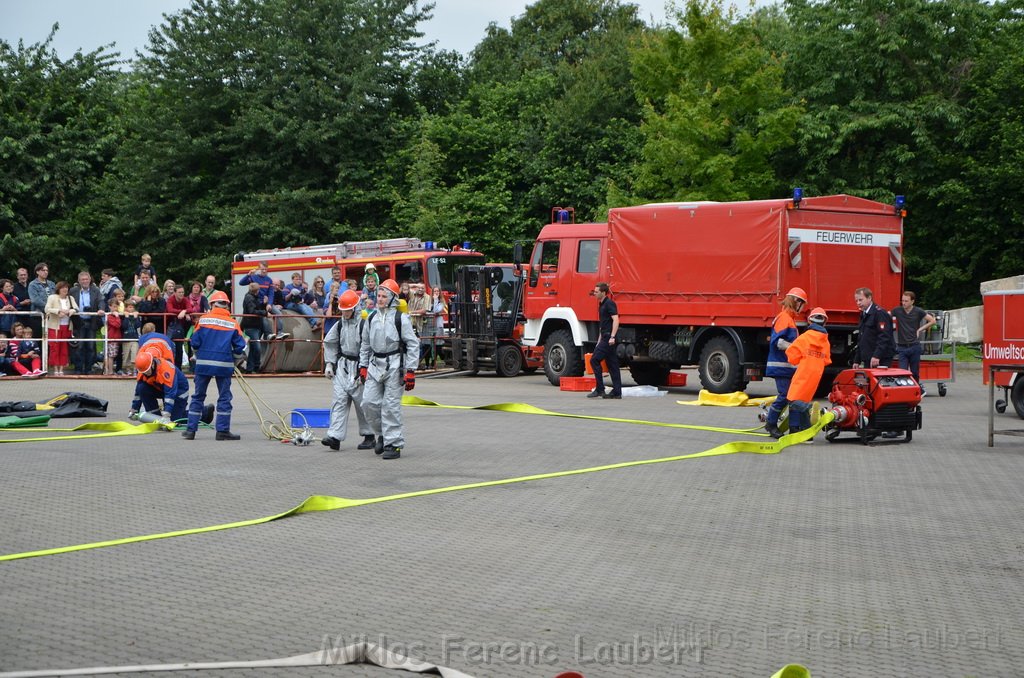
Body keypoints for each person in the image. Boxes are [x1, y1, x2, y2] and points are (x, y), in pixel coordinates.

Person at [358, 279, 419, 459]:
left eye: (384, 296)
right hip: (375, 365)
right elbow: (365, 344)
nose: (380, 299)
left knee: (390, 406)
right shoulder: (371, 318)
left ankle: (394, 444)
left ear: (393, 299)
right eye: (378, 295)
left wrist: (411, 370)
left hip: (395, 365)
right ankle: (383, 435)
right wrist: (363, 366)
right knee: (368, 403)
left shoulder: (401, 319)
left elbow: (412, 344)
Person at [183, 290, 246, 440]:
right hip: (224, 365)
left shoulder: (203, 320)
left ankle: (191, 431)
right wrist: (235, 358)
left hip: (203, 364)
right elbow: (240, 346)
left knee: (198, 396)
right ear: (227, 306)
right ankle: (222, 431)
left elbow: (195, 342)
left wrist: (199, 354)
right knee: (224, 397)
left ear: (211, 305)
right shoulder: (232, 323)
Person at [321, 289, 375, 451]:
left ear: (355, 308)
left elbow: (371, 347)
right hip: (343, 367)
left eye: (347, 310)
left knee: (362, 403)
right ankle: (334, 437)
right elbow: (329, 343)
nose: (344, 314)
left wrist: (365, 367)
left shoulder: (364, 325)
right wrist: (329, 364)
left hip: (359, 367)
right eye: (343, 311)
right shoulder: (339, 326)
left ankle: (369, 435)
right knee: (339, 401)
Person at [764, 287, 807, 438]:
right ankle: (770, 423)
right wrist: (797, 348)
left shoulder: (789, 319)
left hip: (787, 367)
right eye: (802, 304)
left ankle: (794, 428)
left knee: (793, 397)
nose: (802, 309)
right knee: (785, 396)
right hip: (781, 367)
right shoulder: (784, 318)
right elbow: (778, 342)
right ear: (796, 301)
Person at [784, 307, 831, 436]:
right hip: (816, 375)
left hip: (803, 372)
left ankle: (810, 410)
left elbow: (792, 357)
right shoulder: (826, 341)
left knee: (792, 400)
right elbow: (827, 360)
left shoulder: (805, 337)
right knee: (803, 401)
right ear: (824, 323)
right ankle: (807, 434)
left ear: (810, 321)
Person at [891, 291, 936, 391]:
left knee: (915, 372)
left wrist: (920, 329)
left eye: (906, 301)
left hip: (914, 346)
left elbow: (933, 320)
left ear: (912, 301)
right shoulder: (897, 310)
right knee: (902, 372)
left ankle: (916, 391)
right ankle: (904, 391)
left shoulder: (918, 311)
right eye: (902, 301)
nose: (904, 303)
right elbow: (886, 315)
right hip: (902, 347)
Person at [131, 348, 189, 424]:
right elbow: (138, 393)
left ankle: (202, 413)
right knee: (142, 388)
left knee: (174, 421)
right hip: (162, 389)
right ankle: (155, 415)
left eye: (147, 371)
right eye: (144, 372)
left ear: (152, 364)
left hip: (178, 392)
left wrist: (167, 415)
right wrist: (134, 410)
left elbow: (170, 395)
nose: (145, 374)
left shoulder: (166, 371)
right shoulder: (144, 369)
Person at [587, 282, 622, 399]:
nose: (594, 294)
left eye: (596, 292)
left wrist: (612, 336)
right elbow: (603, 324)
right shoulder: (601, 305)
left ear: (603, 292)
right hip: (604, 337)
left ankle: (600, 389)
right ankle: (617, 392)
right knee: (612, 365)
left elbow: (616, 320)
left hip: (608, 338)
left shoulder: (609, 304)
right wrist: (598, 340)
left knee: (594, 360)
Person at [70, 271, 107, 375]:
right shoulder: (73, 291)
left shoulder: (96, 290)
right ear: (79, 281)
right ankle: (78, 369)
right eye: (83, 279)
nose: (85, 281)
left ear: (90, 280)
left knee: (91, 346)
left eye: (87, 279)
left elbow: (101, 301)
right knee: (79, 346)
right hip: (78, 321)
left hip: (92, 321)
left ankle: (89, 369)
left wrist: (101, 309)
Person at [239, 261, 286, 339]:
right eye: (262, 269)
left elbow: (271, 294)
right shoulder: (254, 277)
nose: (264, 271)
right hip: (257, 303)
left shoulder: (269, 280)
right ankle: (268, 334)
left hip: (266, 302)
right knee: (263, 317)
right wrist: (248, 274)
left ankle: (280, 332)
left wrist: (269, 304)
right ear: (259, 269)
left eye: (266, 269)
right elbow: (241, 283)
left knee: (278, 313)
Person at [853, 287, 894, 369]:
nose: (858, 303)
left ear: (869, 298)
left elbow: (884, 336)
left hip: (880, 358)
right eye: (856, 300)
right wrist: (857, 360)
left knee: (879, 381)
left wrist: (877, 355)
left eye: (860, 300)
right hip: (869, 357)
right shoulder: (864, 314)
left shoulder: (880, 313)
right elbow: (861, 338)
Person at [44, 280, 78, 377]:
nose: (65, 289)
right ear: (58, 289)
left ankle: (62, 368)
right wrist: (58, 311)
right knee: (54, 347)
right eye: (63, 287)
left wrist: (69, 311)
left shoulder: (70, 298)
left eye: (66, 287)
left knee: (64, 348)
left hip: (67, 326)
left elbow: (76, 308)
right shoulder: (52, 297)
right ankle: (55, 368)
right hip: (54, 326)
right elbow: (47, 309)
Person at [240, 282, 265, 373]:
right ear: (256, 291)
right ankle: (256, 366)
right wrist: (264, 312)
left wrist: (264, 305)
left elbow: (255, 308)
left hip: (254, 325)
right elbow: (252, 310)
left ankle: (250, 368)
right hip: (251, 325)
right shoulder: (250, 298)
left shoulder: (252, 297)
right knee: (257, 347)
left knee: (253, 348)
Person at [27, 262, 55, 338]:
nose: (46, 272)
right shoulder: (33, 284)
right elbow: (35, 300)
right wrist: (48, 308)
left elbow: (55, 297)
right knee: (39, 337)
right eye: (43, 270)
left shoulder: (52, 284)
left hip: (51, 315)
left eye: (47, 270)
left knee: (51, 337)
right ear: (37, 272)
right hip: (38, 315)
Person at [166, 283, 190, 368]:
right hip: (170, 325)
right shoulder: (170, 299)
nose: (181, 294)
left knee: (180, 348)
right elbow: (170, 309)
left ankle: (178, 368)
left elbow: (190, 308)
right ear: (175, 293)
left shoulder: (185, 299)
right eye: (179, 292)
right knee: (169, 345)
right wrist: (182, 311)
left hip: (181, 326)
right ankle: (169, 366)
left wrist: (185, 311)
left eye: (182, 292)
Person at [104, 288, 126, 375]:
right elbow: (117, 325)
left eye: (116, 306)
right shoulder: (109, 316)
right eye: (113, 306)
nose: (115, 308)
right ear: (109, 306)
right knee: (111, 356)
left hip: (116, 338)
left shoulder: (114, 315)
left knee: (113, 355)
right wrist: (117, 317)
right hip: (112, 338)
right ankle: (109, 371)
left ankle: (109, 370)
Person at [120, 302, 142, 375]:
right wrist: (126, 317)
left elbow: (138, 325)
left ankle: (134, 369)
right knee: (126, 355)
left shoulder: (135, 315)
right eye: (129, 307)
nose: (131, 309)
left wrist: (135, 318)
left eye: (132, 307)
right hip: (126, 338)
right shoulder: (123, 316)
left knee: (134, 353)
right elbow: (124, 326)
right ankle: (127, 369)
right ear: (126, 308)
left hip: (134, 338)